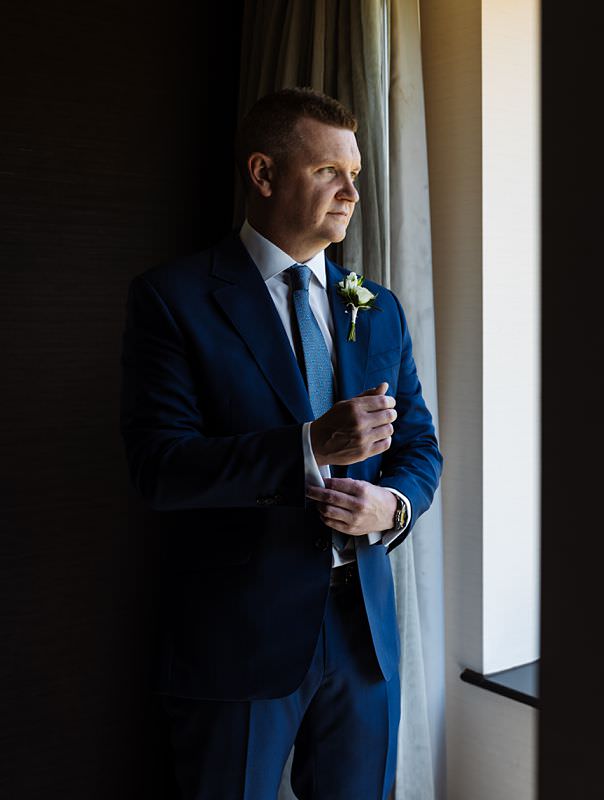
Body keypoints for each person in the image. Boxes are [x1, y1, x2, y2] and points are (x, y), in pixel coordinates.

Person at [120, 87, 442, 799]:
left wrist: (390, 506)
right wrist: (308, 446)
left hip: (363, 637)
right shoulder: (173, 300)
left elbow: (420, 447)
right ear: (264, 175)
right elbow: (159, 469)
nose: (352, 192)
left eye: (354, 174)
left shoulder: (376, 306)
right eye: (330, 171)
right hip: (238, 638)